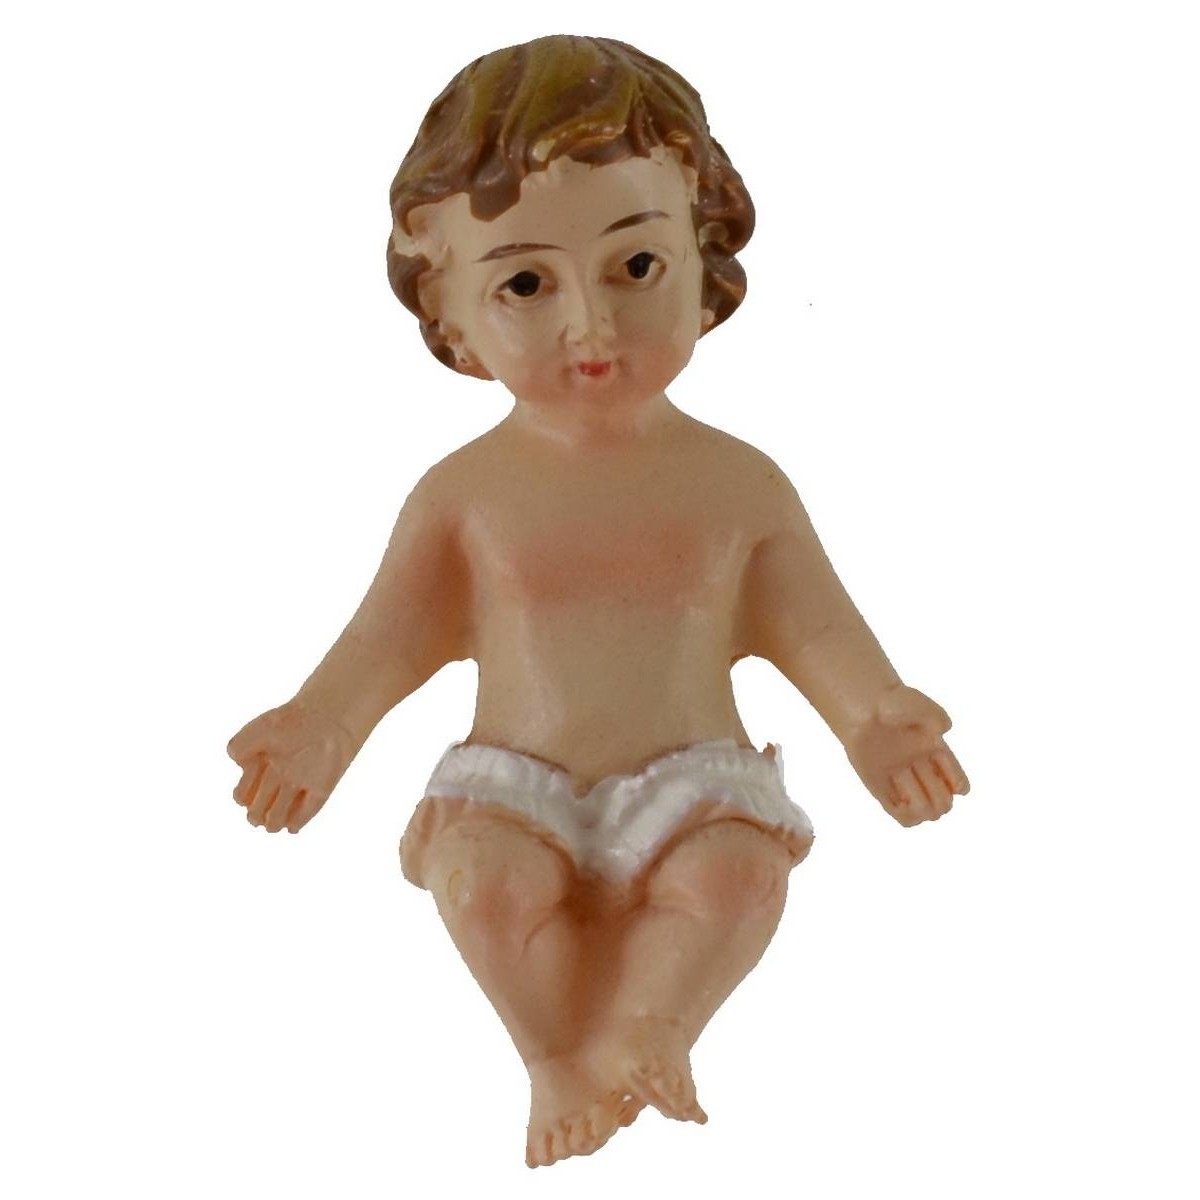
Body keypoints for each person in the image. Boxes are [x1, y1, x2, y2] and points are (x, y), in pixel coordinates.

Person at [227, 34, 970, 1169]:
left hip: (692, 781)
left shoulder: (739, 485)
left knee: (739, 876)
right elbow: (387, 637)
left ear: (704, 255)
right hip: (515, 784)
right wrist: (319, 726)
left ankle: (652, 1025)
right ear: (448, 307)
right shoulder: (464, 495)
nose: (591, 325)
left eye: (636, 266)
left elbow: (814, 622)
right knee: (480, 887)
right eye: (526, 284)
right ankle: (553, 1059)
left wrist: (877, 720)